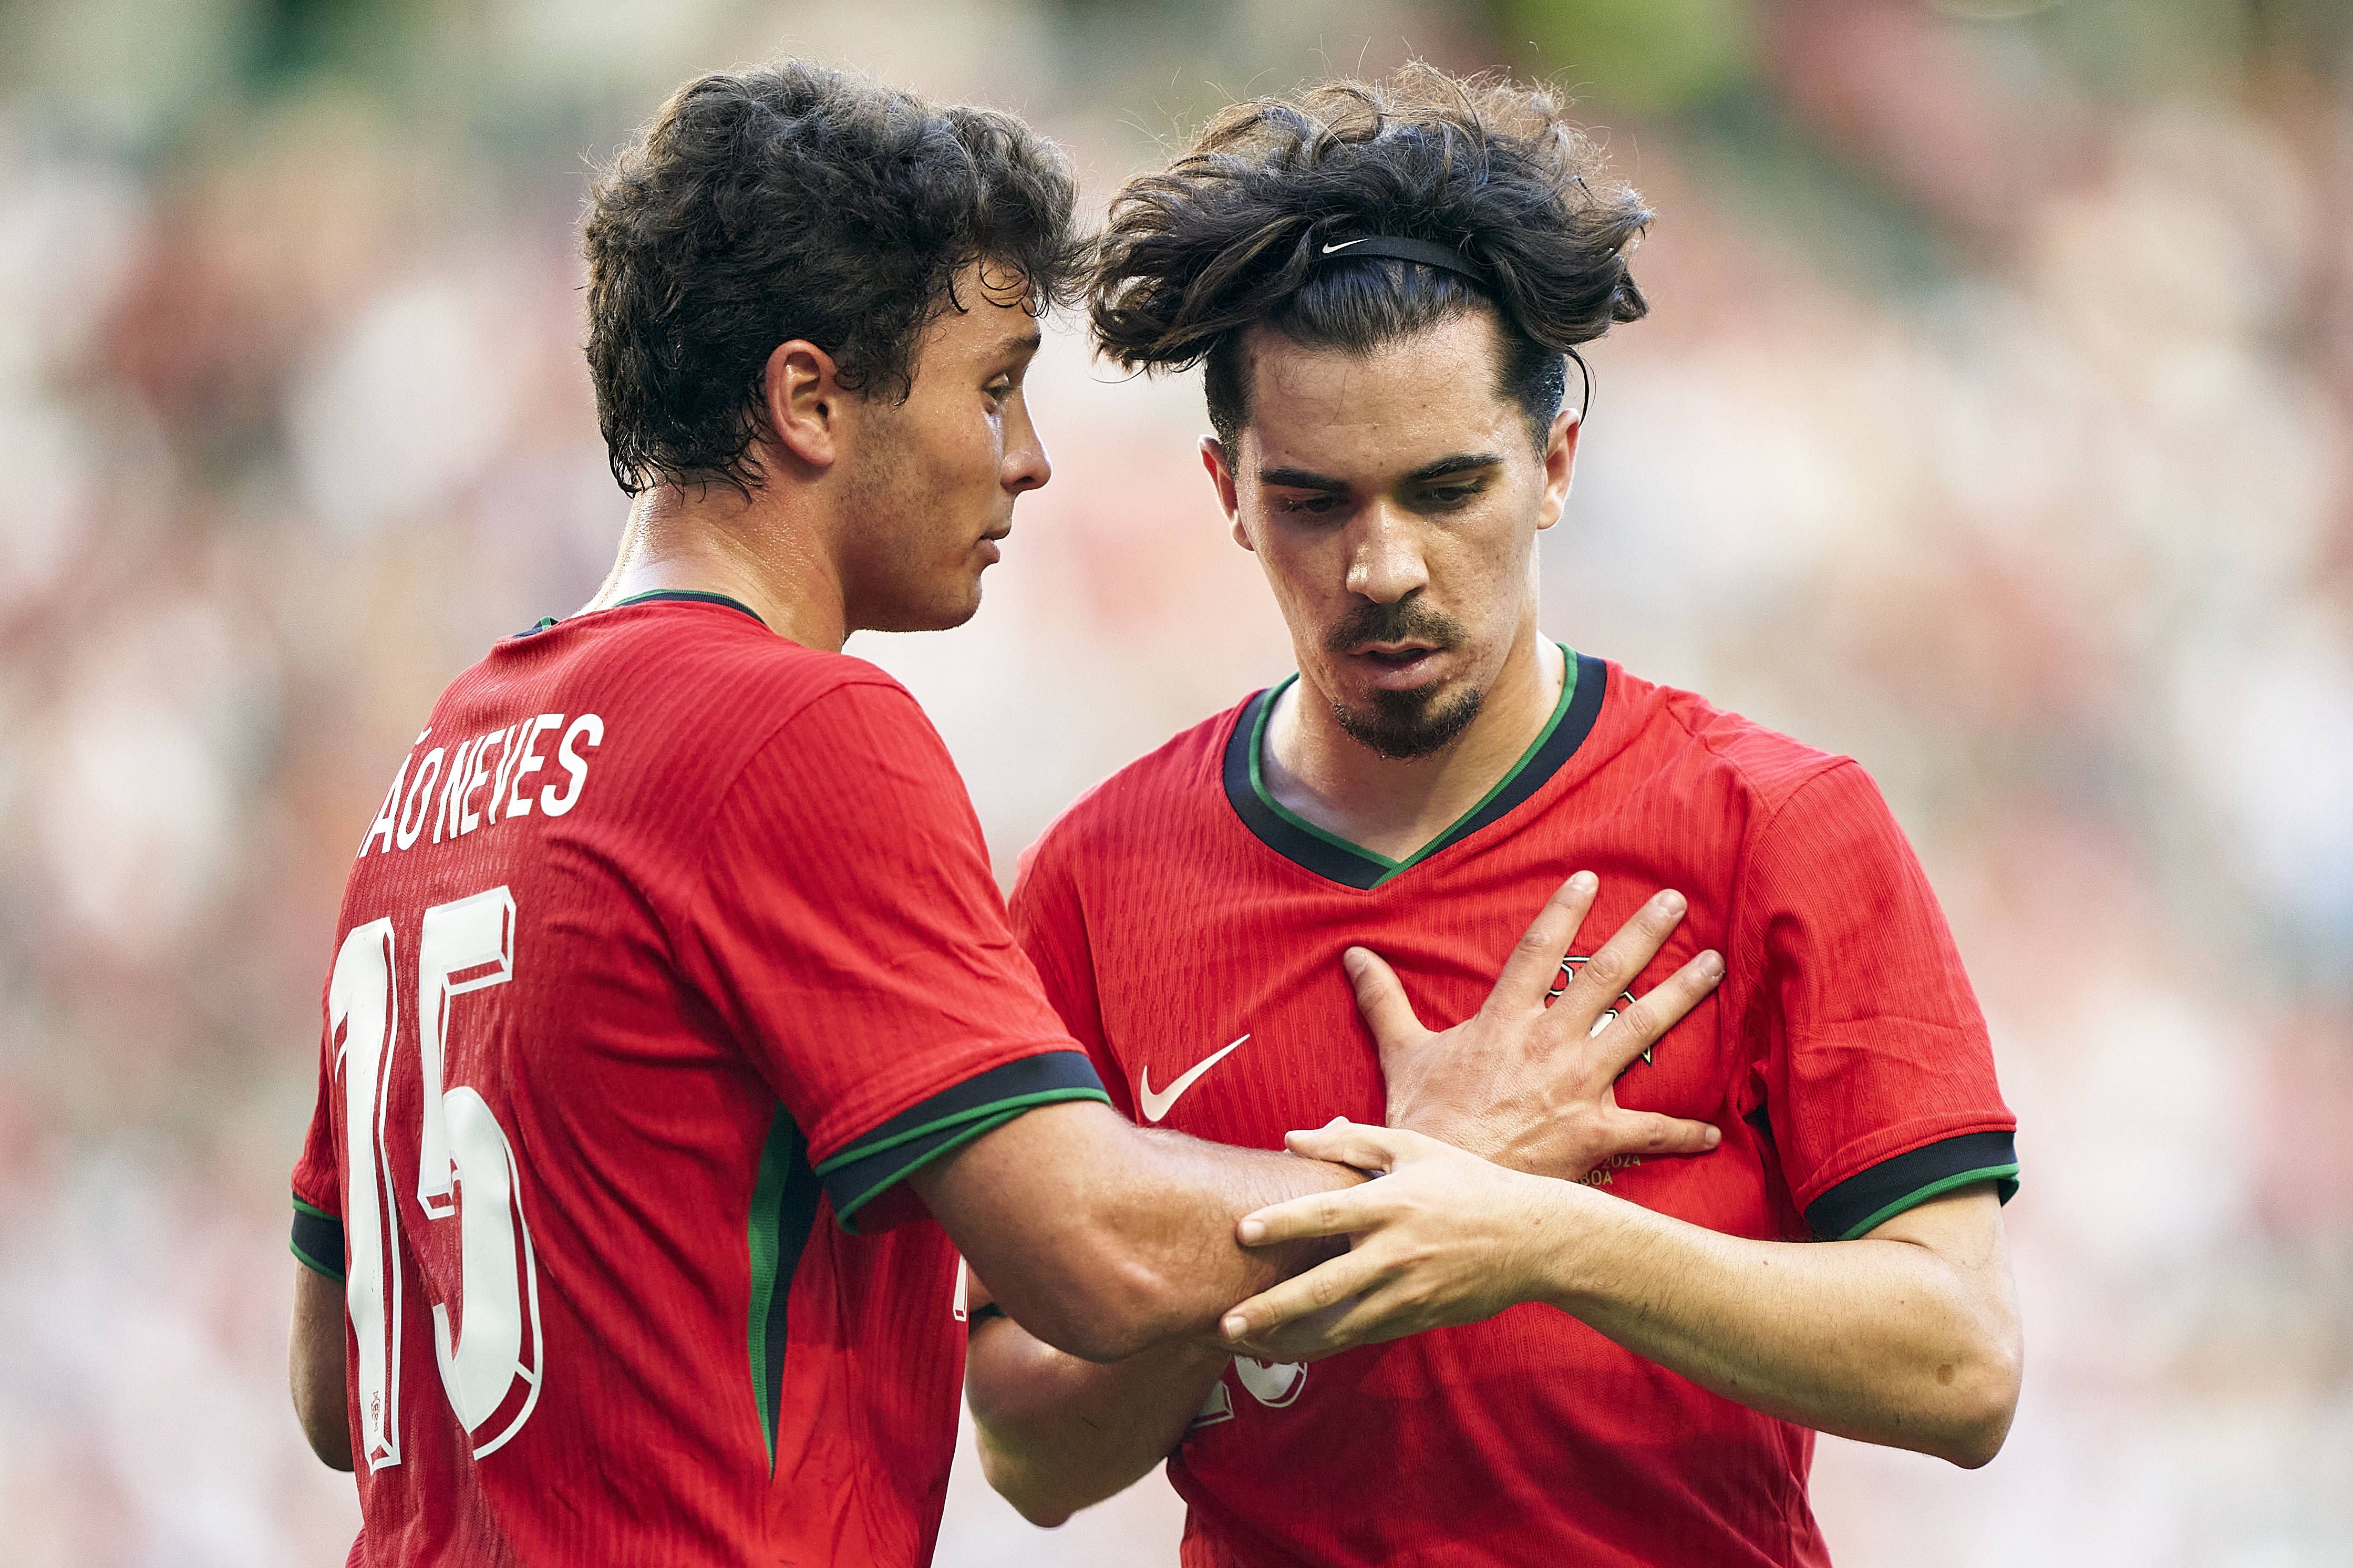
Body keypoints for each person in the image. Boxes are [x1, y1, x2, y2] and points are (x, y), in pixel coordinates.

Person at [282, 61, 1721, 1566]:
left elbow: (341, 1383)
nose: (1026, 455)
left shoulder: (447, 759)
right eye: (991, 384)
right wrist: (1439, 1160)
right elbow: (1091, 1250)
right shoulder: (787, 728)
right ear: (809, 399)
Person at [966, 65, 2025, 1567]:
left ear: (1555, 465)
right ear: (1228, 492)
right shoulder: (1095, 880)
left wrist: (1536, 1236)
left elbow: (1961, 1363)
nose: (1384, 566)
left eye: (1446, 488)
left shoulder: (1778, 826)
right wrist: (1363, 1195)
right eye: (1316, 503)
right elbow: (1029, 1447)